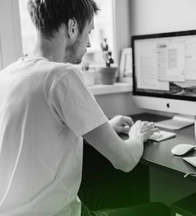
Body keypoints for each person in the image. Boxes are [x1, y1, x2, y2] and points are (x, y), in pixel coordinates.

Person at [0, 0, 169, 216]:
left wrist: (104, 127)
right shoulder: (61, 76)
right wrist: (137, 135)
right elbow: (125, 161)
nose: (89, 44)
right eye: (88, 32)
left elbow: (38, 136)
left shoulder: (6, 75)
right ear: (72, 27)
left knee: (115, 196)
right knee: (159, 209)